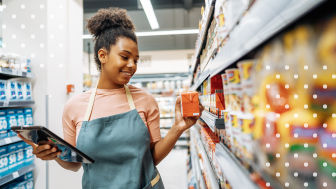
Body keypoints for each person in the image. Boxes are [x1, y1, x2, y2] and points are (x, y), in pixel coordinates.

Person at [19, 7, 203, 189]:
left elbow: (152, 158)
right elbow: (74, 164)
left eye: (136, 60)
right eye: (125, 57)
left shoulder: (145, 100)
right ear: (102, 55)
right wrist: (54, 155)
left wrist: (178, 128)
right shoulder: (75, 107)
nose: (132, 65)